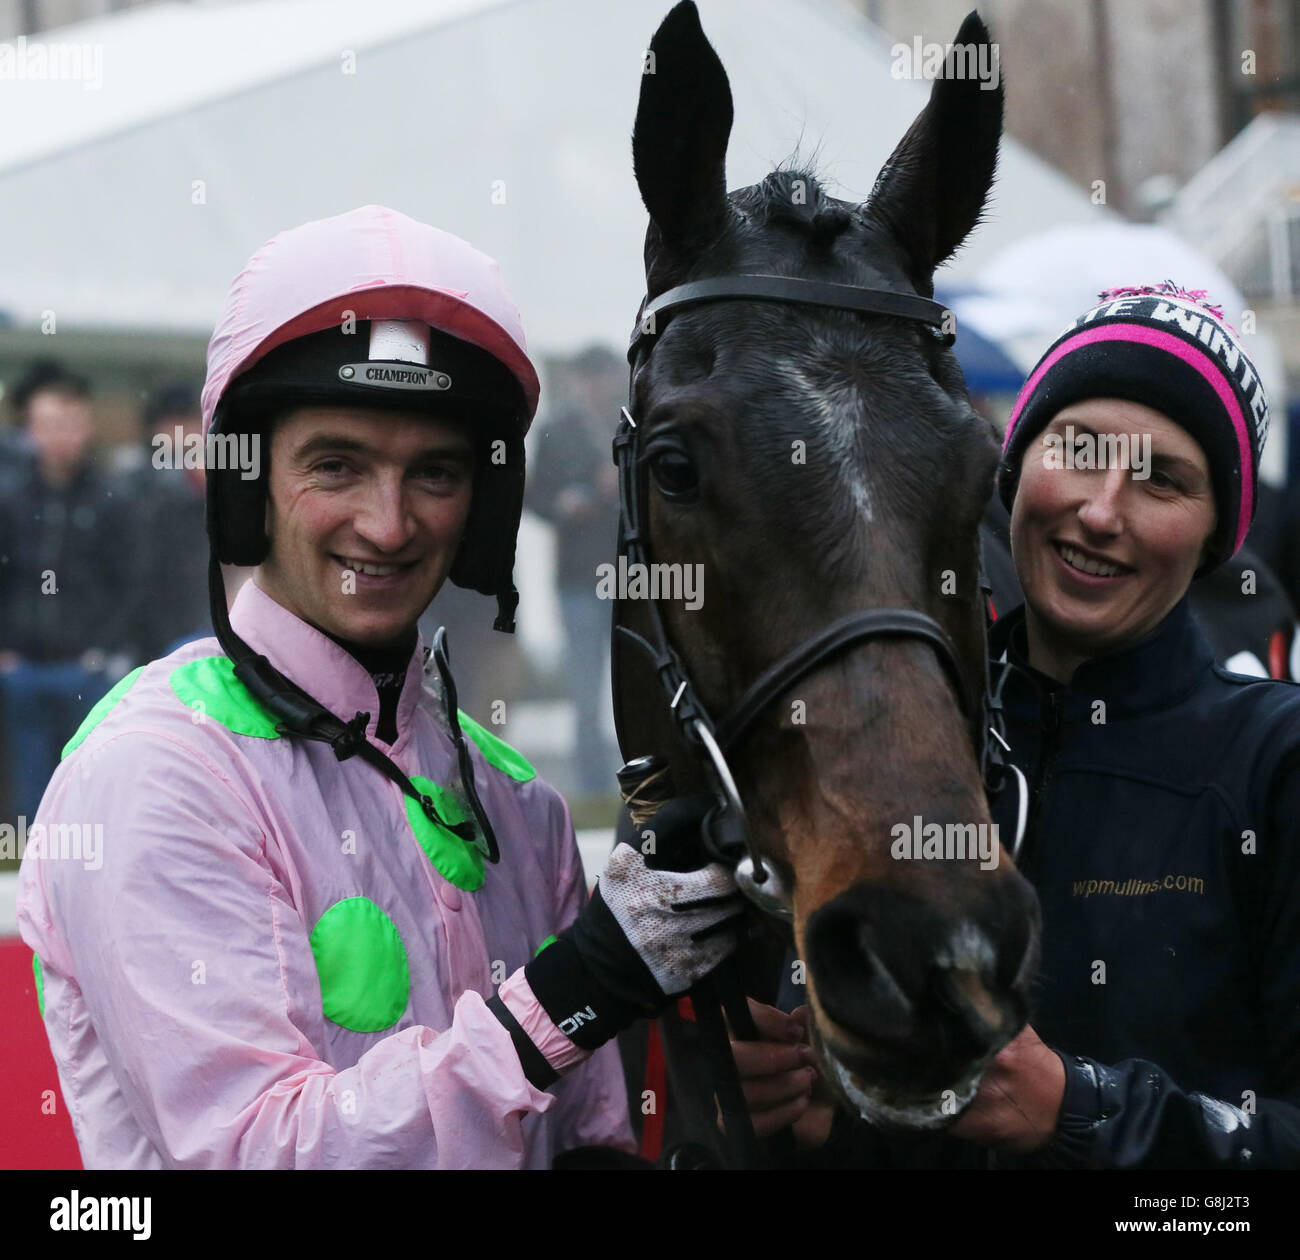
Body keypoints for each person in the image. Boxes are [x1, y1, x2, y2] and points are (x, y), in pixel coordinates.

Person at [17, 205, 742, 1169]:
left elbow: (586, 1143)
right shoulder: (155, 774)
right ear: (249, 486)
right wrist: (581, 986)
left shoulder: (520, 805)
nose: (390, 524)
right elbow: (258, 1150)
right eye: (337, 465)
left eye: (434, 473)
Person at [729, 282, 1300, 1169]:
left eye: (1161, 479)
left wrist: (1086, 1113)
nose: (1102, 511)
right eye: (1078, 450)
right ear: (1017, 465)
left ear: (1216, 534)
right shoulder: (886, 729)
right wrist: (802, 1109)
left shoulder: (1276, 761)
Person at [0, 362, 135, 821]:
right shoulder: (12, 498)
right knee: (29, 789)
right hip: (23, 666)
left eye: (70, 424)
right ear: (31, 429)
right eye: (50, 425)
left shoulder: (111, 498)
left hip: (87, 668)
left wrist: (105, 649)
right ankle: (29, 880)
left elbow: (129, 582)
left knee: (86, 784)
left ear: (88, 427)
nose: (61, 436)